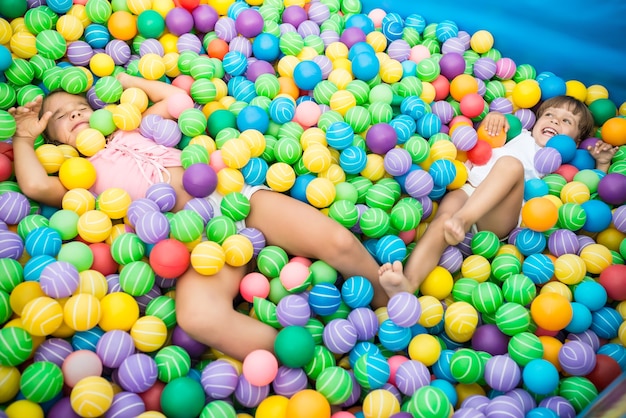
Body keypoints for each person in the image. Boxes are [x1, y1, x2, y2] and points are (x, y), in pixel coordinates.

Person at [9, 73, 390, 361]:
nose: (73, 111)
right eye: (57, 115)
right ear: (53, 139)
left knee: (338, 240)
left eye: (80, 105)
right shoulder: (79, 180)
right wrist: (24, 139)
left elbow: (177, 98)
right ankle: (313, 358)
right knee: (198, 318)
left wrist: (125, 80)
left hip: (234, 202)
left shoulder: (131, 126)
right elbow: (35, 187)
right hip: (193, 242)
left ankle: (389, 299)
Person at [379, 95, 619, 297]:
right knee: (442, 221)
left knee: (511, 165)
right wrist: (493, 119)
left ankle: (461, 221)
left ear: (576, 140)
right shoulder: (519, 134)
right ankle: (408, 283)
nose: (555, 121)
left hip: (498, 217)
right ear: (536, 121)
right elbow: (488, 137)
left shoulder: (565, 161)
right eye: (549, 115)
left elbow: (587, 190)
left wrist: (603, 164)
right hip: (470, 190)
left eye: (566, 121)